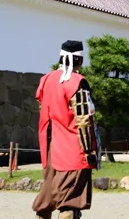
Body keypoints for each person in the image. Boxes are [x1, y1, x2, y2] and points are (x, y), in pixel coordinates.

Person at [32, 40, 100, 219]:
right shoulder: (77, 82)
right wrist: (88, 150)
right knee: (70, 202)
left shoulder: (46, 79)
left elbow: (44, 108)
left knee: (46, 201)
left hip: (51, 147)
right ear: (80, 60)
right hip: (73, 149)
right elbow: (83, 119)